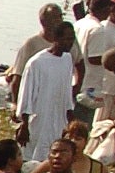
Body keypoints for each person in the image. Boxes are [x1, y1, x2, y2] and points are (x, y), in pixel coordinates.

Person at [15, 22, 76, 165]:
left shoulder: (67, 59)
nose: (70, 42)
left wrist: (70, 115)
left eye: (72, 38)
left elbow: (66, 90)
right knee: (34, 159)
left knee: (56, 155)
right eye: (67, 39)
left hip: (59, 118)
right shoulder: (37, 63)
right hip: (39, 120)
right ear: (56, 38)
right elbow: (26, 94)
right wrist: (24, 124)